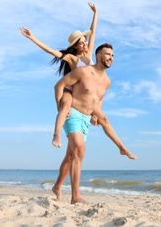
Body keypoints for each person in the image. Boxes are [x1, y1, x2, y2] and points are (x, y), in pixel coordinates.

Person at [52, 43, 137, 204]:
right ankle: (75, 197)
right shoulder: (83, 71)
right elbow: (59, 85)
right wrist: (61, 108)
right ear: (98, 56)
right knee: (80, 149)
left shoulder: (107, 81)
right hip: (73, 114)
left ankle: (57, 186)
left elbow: (98, 101)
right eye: (107, 54)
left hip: (86, 119)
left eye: (112, 55)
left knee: (71, 156)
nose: (111, 58)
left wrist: (94, 117)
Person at [20, 2, 98, 148]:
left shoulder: (89, 53)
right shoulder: (72, 58)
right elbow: (50, 50)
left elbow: (93, 31)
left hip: (85, 93)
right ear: (75, 46)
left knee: (96, 108)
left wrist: (95, 13)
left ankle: (94, 119)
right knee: (65, 106)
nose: (85, 44)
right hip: (72, 91)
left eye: (85, 42)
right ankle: (56, 134)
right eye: (81, 43)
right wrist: (32, 38)